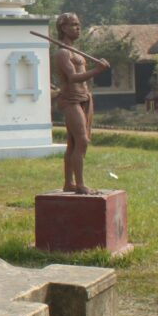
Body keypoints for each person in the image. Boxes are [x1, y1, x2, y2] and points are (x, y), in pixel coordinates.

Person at [53, 13, 110, 194]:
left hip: (83, 99)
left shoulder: (74, 51)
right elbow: (72, 78)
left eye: (79, 25)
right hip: (71, 100)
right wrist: (97, 70)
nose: (78, 28)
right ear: (63, 28)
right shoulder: (63, 53)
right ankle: (80, 184)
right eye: (73, 25)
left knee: (73, 143)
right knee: (82, 141)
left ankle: (69, 183)